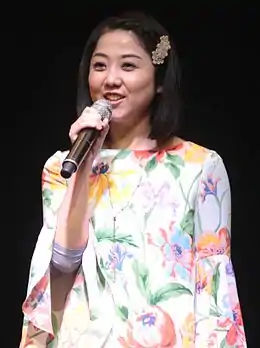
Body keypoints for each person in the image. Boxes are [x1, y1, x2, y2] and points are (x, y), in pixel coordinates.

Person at [20, 10, 247, 348]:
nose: (110, 79)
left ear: (158, 81)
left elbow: (213, 287)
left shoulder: (199, 166)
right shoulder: (62, 167)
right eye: (99, 66)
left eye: (127, 66)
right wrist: (84, 168)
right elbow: (62, 266)